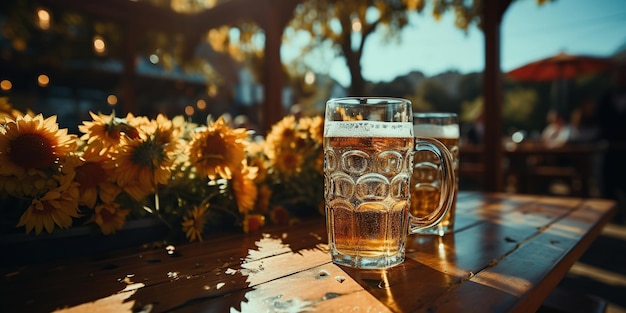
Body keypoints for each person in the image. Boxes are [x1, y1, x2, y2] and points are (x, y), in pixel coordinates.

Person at [596, 62, 626, 224]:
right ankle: (614, 217)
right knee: (609, 185)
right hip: (611, 148)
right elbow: (599, 121)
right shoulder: (607, 96)